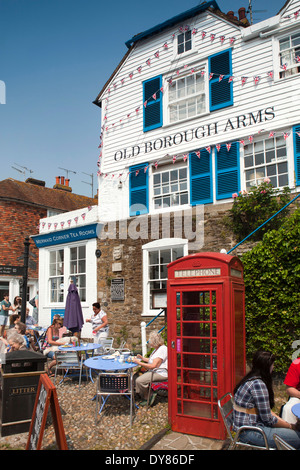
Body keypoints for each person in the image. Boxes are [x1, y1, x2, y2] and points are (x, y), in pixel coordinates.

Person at [232, 350, 300, 449]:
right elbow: (268, 419)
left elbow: (266, 412)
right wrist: (290, 426)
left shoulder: (250, 378)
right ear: (267, 366)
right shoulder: (258, 384)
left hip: (244, 428)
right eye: (272, 365)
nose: (273, 367)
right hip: (251, 432)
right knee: (298, 438)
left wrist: (288, 425)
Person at [133, 330, 168, 406]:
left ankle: (148, 396)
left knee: (139, 381)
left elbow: (153, 365)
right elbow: (151, 360)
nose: (149, 342)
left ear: (154, 341)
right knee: (135, 376)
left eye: (150, 340)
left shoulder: (162, 350)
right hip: (155, 371)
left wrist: (139, 363)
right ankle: (141, 393)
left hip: (160, 372)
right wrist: (142, 358)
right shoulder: (157, 349)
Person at [281, 358, 300, 424]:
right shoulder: (297, 363)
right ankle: (288, 433)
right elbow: (290, 389)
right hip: (298, 396)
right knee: (288, 409)